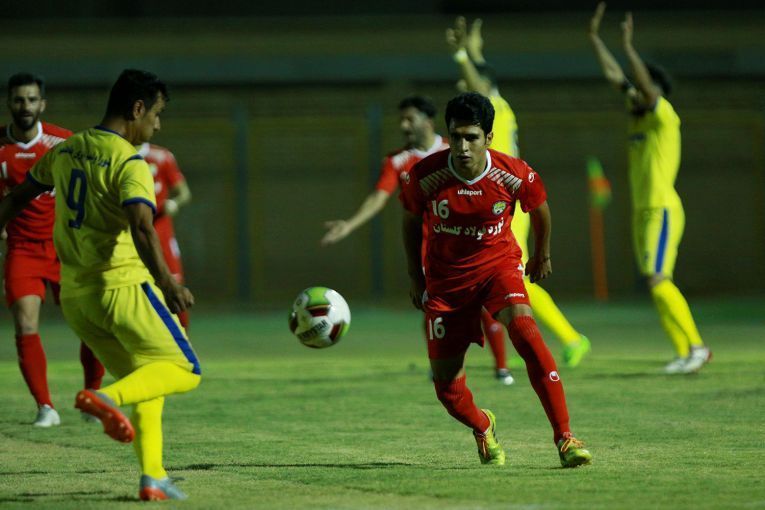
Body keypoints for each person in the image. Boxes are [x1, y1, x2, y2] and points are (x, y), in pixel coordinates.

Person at [0, 69, 201, 500]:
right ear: (138, 109)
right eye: (157, 115)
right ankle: (105, 399)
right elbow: (143, 227)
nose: (157, 126)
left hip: (78, 298)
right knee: (185, 371)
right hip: (122, 289)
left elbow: (15, 199)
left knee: (146, 377)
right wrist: (167, 284)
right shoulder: (129, 162)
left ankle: (153, 477)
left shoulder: (67, 148)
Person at [400, 92, 592, 467]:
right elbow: (409, 221)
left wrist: (541, 255)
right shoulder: (426, 176)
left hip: (498, 267)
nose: (462, 147)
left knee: (527, 333)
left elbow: (540, 208)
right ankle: (482, 424)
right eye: (456, 137)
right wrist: (415, 276)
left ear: (488, 137)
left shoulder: (513, 173)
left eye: (471, 137)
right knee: (448, 392)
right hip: (447, 284)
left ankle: (565, 438)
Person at [322, 95, 516, 385]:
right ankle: (441, 366)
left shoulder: (455, 149)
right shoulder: (397, 161)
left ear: (428, 121)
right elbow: (379, 197)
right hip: (431, 252)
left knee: (486, 305)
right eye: (401, 120)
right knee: (433, 309)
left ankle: (502, 368)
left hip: (470, 244)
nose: (403, 125)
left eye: (409, 119)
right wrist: (350, 224)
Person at [446, 17, 591, 369]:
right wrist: (474, 51)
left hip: (507, 204)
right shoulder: (498, 106)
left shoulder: (496, 109)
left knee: (518, 279)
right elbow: (483, 78)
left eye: (468, 86)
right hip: (498, 202)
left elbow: (480, 82)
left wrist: (462, 56)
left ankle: (571, 338)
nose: (464, 92)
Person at [588, 3, 711, 374]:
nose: (636, 93)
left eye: (643, 88)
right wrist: (594, 39)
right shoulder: (638, 115)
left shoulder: (663, 116)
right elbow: (616, 77)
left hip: (662, 209)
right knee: (655, 282)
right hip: (642, 211)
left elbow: (641, 85)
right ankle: (683, 352)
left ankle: (698, 347)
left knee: (658, 280)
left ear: (654, 90)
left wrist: (628, 47)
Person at [0, 72, 104, 428]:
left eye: (31, 99)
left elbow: (89, 188)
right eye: (18, 99)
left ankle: (92, 399)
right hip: (23, 250)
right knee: (25, 323)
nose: (25, 106)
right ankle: (46, 407)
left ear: (42, 104)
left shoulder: (63, 142)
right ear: (9, 103)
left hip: (65, 248)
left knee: (89, 323)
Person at [138, 142, 192, 329]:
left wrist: (174, 203)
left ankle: (182, 338)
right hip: (134, 235)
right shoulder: (118, 155)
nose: (156, 127)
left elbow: (184, 192)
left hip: (162, 234)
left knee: (175, 286)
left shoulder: (161, 157)